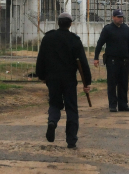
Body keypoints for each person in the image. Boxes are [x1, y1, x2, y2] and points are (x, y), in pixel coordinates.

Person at [35, 11, 92, 148]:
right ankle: (71, 140)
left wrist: (41, 75)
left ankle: (52, 121)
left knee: (54, 103)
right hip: (69, 79)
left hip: (52, 78)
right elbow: (82, 63)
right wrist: (87, 82)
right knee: (71, 107)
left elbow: (41, 59)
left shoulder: (48, 38)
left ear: (58, 23)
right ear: (70, 24)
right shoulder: (74, 40)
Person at [93, 9, 129, 112]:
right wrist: (96, 58)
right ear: (113, 17)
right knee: (112, 83)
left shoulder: (126, 28)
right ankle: (112, 105)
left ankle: (123, 105)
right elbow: (100, 43)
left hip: (124, 60)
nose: (120, 19)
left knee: (123, 83)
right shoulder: (108, 29)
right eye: (118, 17)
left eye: (121, 17)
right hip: (112, 60)